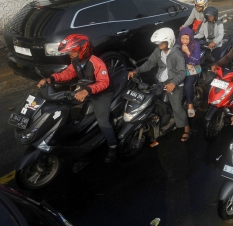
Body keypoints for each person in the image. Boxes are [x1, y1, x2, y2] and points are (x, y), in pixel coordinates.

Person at [37, 34, 118, 162]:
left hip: (102, 93)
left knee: (102, 120)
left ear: (83, 49)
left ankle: (113, 146)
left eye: (72, 51)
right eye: (69, 51)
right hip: (85, 89)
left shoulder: (96, 62)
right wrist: (51, 79)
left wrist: (87, 90)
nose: (70, 54)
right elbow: (68, 73)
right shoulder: (76, 61)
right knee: (62, 103)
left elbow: (104, 82)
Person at [128, 28, 190, 141]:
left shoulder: (177, 54)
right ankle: (160, 119)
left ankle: (186, 128)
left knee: (177, 107)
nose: (158, 44)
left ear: (169, 41)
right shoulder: (158, 51)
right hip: (161, 81)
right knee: (152, 100)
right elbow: (150, 62)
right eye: (157, 42)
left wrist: (173, 83)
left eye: (161, 42)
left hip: (174, 83)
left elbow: (182, 72)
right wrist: (137, 70)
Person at [179, 27, 201, 118]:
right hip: (180, 68)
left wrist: (187, 52)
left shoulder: (195, 45)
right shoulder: (177, 44)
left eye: (186, 39)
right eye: (182, 38)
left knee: (187, 85)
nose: (184, 41)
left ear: (190, 38)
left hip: (192, 68)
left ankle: (190, 104)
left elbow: (197, 61)